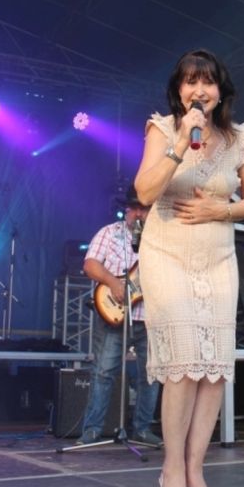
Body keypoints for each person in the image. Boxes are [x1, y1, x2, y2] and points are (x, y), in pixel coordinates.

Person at [135, 48, 244, 487]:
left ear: (220, 90)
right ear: (179, 90)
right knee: (185, 363)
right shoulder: (162, 129)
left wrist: (219, 210)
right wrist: (179, 143)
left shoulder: (240, 139)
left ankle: (195, 471)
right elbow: (145, 192)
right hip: (167, 252)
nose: (199, 89)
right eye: (191, 81)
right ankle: (171, 470)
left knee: (213, 371)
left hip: (217, 257)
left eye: (207, 81)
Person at [78, 186, 162, 448]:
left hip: (150, 317)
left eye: (144, 209)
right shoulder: (109, 233)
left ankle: (142, 429)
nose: (138, 213)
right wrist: (113, 282)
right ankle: (92, 430)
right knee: (103, 372)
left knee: (151, 375)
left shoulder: (161, 239)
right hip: (113, 314)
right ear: (127, 209)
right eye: (134, 208)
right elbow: (90, 264)